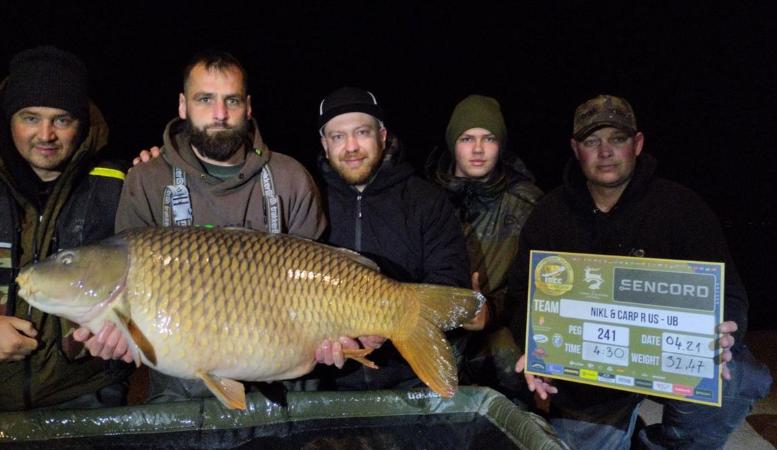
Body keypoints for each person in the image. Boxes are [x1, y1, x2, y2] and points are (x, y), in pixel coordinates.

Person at [507, 94, 772, 449]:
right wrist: (535, 346)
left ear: (637, 143)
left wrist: (727, 333)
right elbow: (521, 294)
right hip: (588, 371)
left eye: (617, 139)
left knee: (734, 377)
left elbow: (730, 293)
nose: (605, 152)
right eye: (592, 141)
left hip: (667, 359)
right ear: (575, 149)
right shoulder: (549, 214)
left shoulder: (683, 207)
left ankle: (666, 443)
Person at [112, 50, 326, 401]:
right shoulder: (147, 181)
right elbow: (127, 293)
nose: (220, 114)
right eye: (205, 99)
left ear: (248, 107)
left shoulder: (292, 178)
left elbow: (320, 286)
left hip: (283, 377)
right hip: (180, 389)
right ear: (183, 106)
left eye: (232, 100)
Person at [0, 46, 130, 424]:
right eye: (30, 118)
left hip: (86, 395)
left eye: (61, 120)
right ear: (9, 118)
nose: (46, 135)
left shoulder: (119, 185)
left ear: (81, 123)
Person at [313, 87, 476, 390]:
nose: (351, 147)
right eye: (337, 136)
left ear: (383, 135)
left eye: (362, 132)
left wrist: (384, 322)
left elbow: (451, 280)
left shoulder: (425, 201)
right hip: (329, 382)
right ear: (325, 144)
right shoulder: (310, 197)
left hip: (407, 381)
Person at [426, 95, 541, 396]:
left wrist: (489, 310)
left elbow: (537, 286)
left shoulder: (526, 204)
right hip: (435, 322)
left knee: (510, 361)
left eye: (488, 138)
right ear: (453, 144)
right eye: (467, 138)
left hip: (498, 327)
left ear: (500, 145)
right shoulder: (424, 199)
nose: (478, 149)